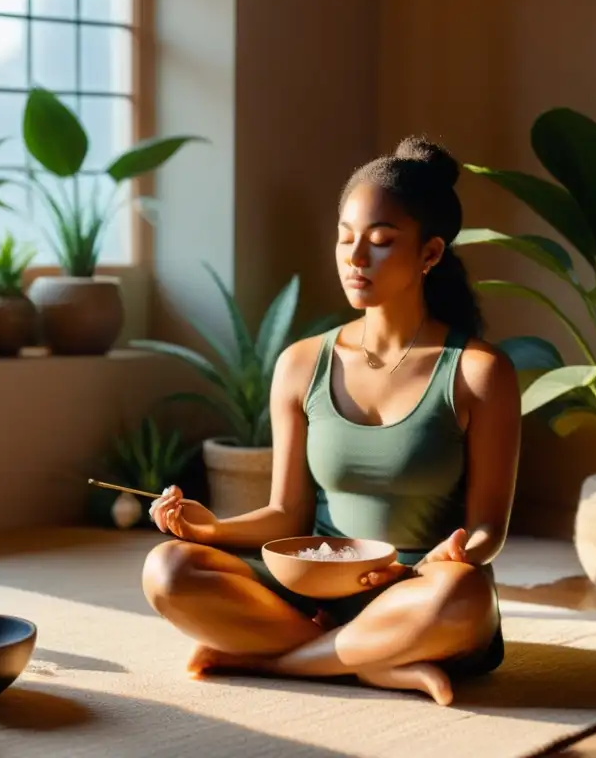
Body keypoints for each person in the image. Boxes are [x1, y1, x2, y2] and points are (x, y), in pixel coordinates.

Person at [142, 137, 521, 706]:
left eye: (381, 242)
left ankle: (284, 661)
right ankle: (370, 662)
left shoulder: (479, 371)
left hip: (416, 592)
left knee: (462, 598)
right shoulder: (301, 363)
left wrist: (459, 553)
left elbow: (489, 528)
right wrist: (208, 531)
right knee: (168, 570)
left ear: (430, 253)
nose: (355, 258)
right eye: (345, 238)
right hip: (312, 588)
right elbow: (284, 514)